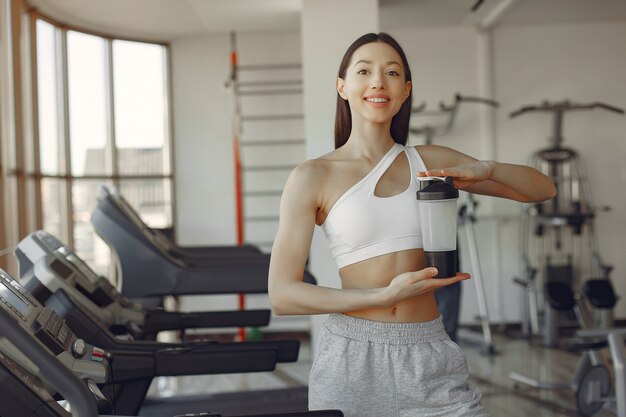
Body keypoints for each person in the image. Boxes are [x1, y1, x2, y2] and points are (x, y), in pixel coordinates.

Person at [268, 32, 556, 417]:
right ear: (342, 86)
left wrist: (488, 168)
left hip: (428, 352)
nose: (377, 82)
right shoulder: (312, 175)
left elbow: (542, 189)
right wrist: (380, 297)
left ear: (405, 91)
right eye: (364, 71)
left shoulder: (431, 163)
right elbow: (283, 295)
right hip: (351, 359)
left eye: (391, 72)